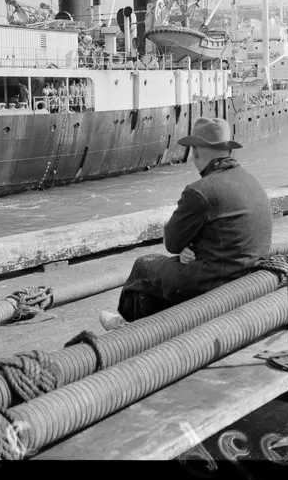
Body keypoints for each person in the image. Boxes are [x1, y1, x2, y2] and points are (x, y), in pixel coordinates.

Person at [99, 117, 273, 330]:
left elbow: (171, 243)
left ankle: (128, 328)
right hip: (248, 275)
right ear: (228, 150)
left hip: (218, 280)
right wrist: (192, 246)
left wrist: (186, 245)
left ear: (196, 152)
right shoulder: (251, 182)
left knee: (145, 266)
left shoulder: (200, 190)